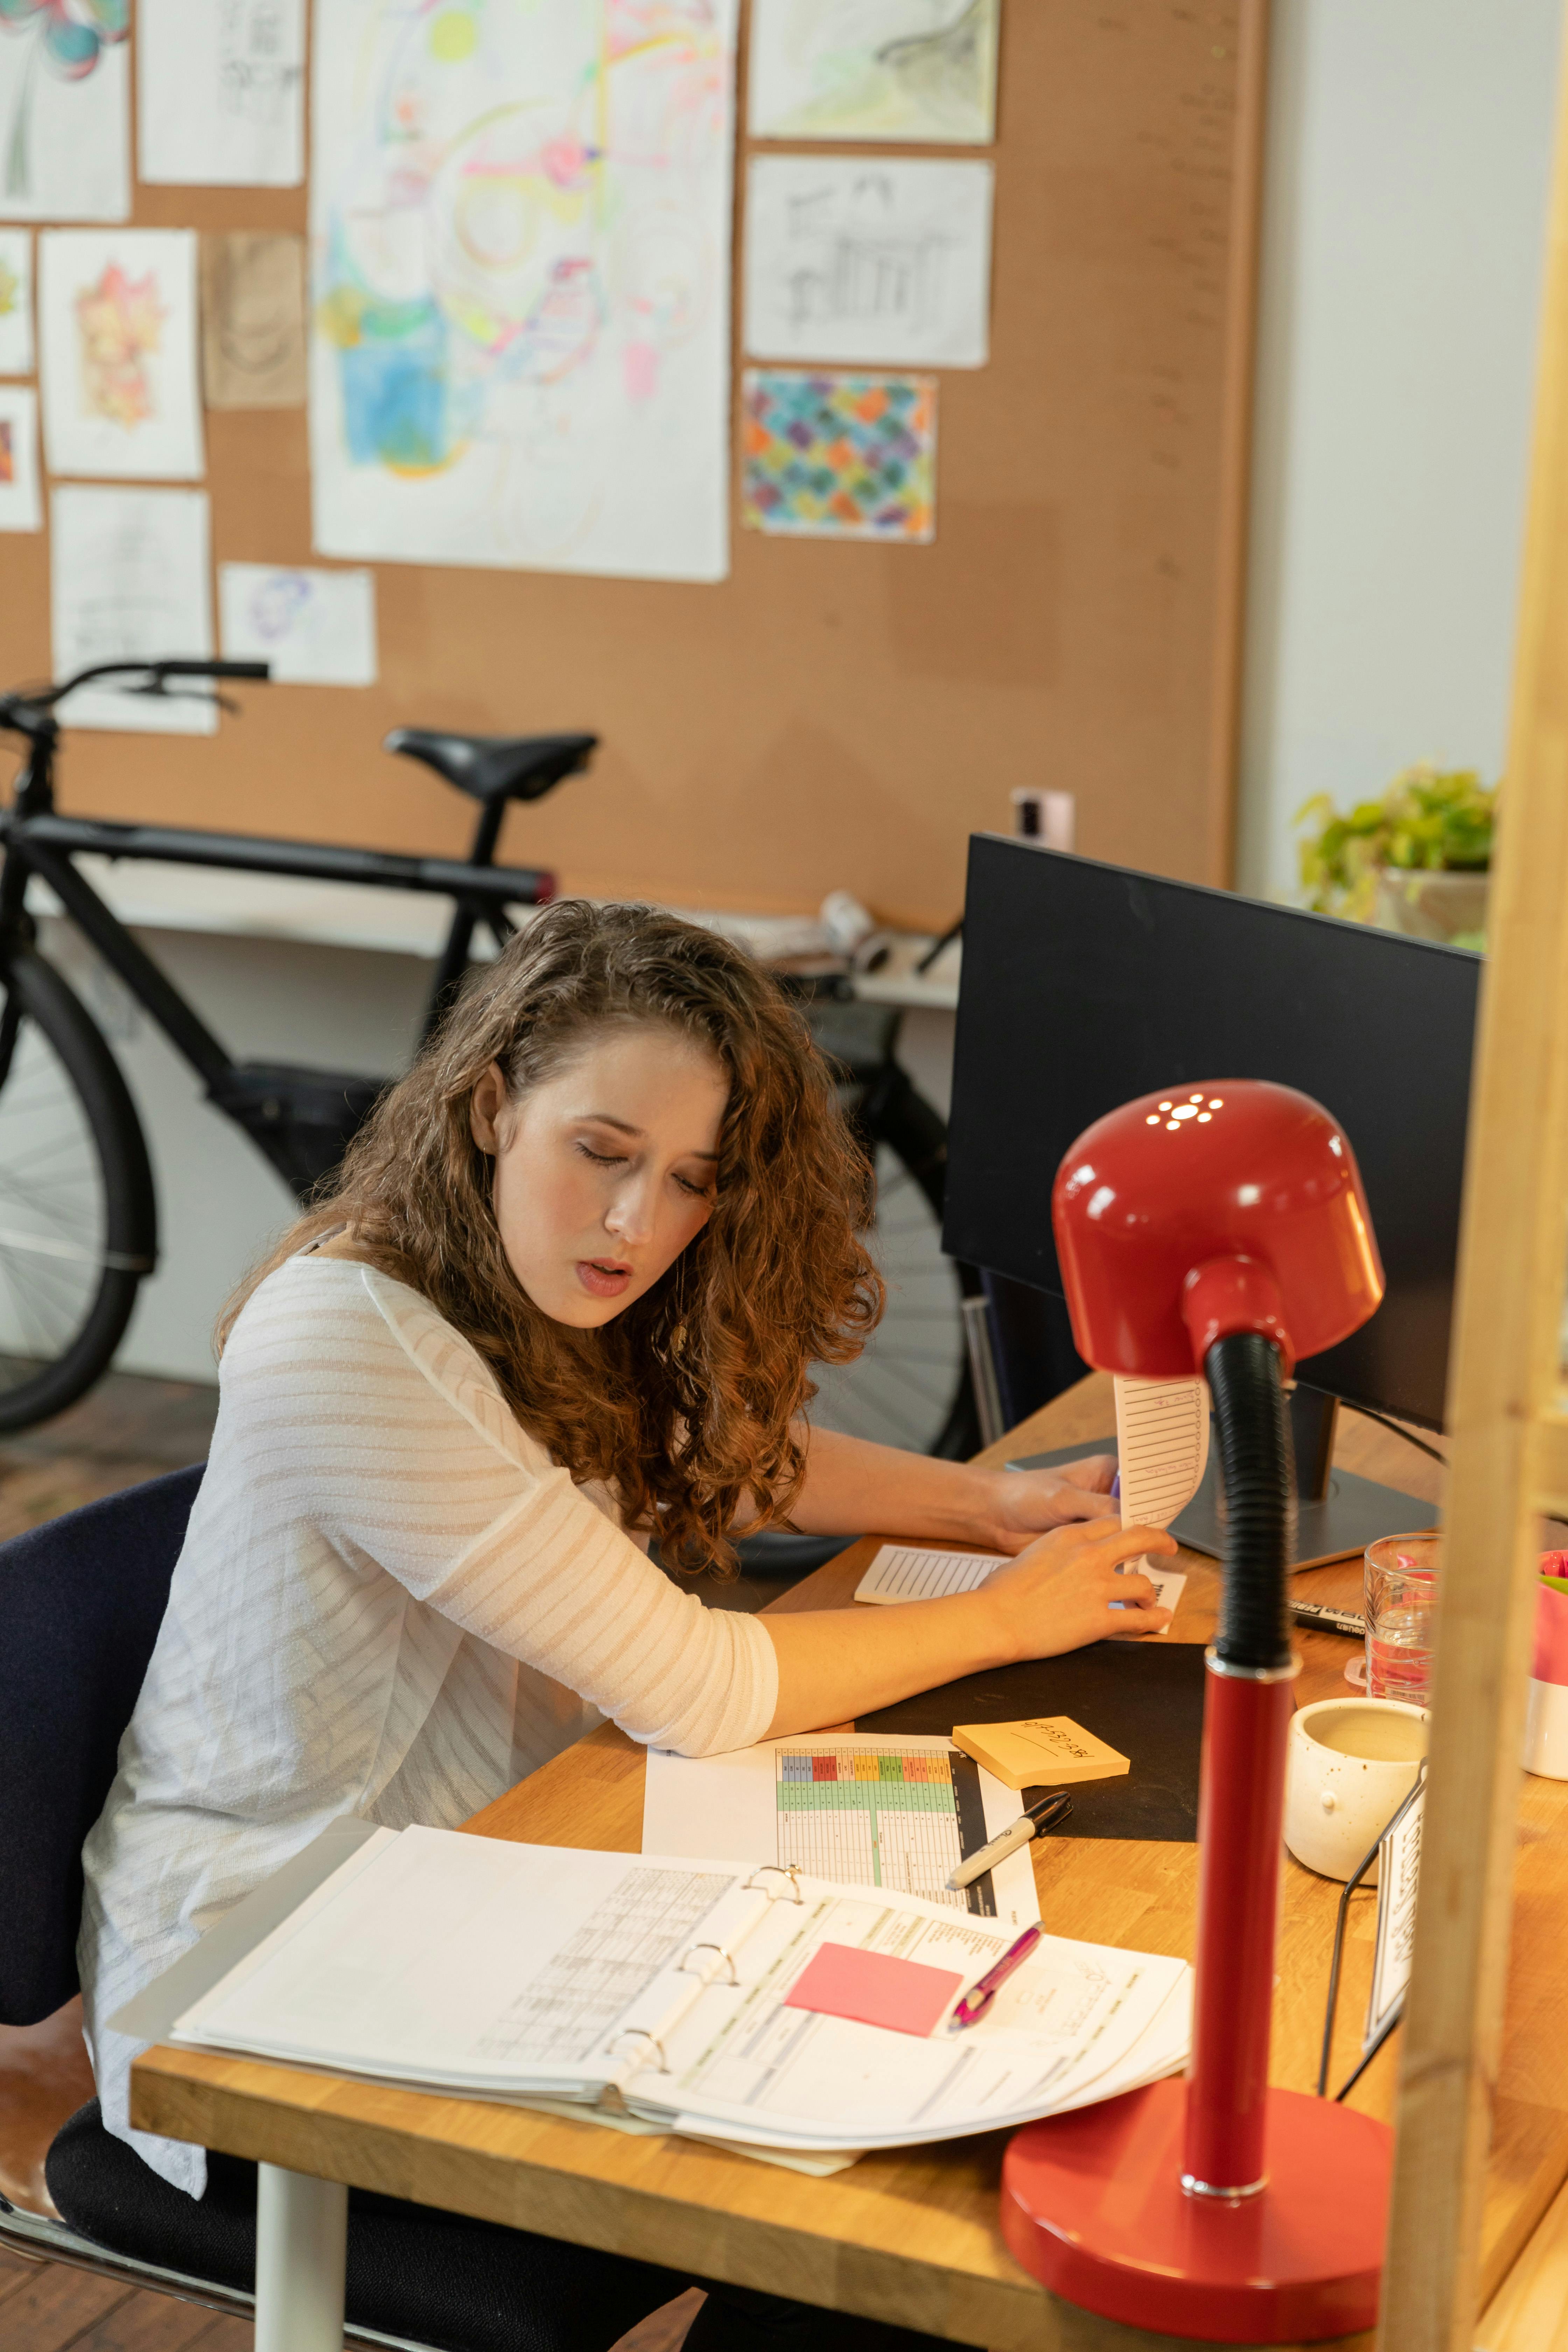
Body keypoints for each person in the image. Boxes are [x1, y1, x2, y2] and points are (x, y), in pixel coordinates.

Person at [60, 901, 1174, 2351]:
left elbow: (704, 1442)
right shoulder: (346, 1331)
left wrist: (983, 1507)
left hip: (493, 1867)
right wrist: (1016, 1620)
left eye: (692, 1182)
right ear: (490, 1102)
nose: (640, 1223)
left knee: (923, 2095)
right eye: (602, 1154)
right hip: (270, 1968)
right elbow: (697, 1687)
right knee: (888, 2187)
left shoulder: (518, 1283)